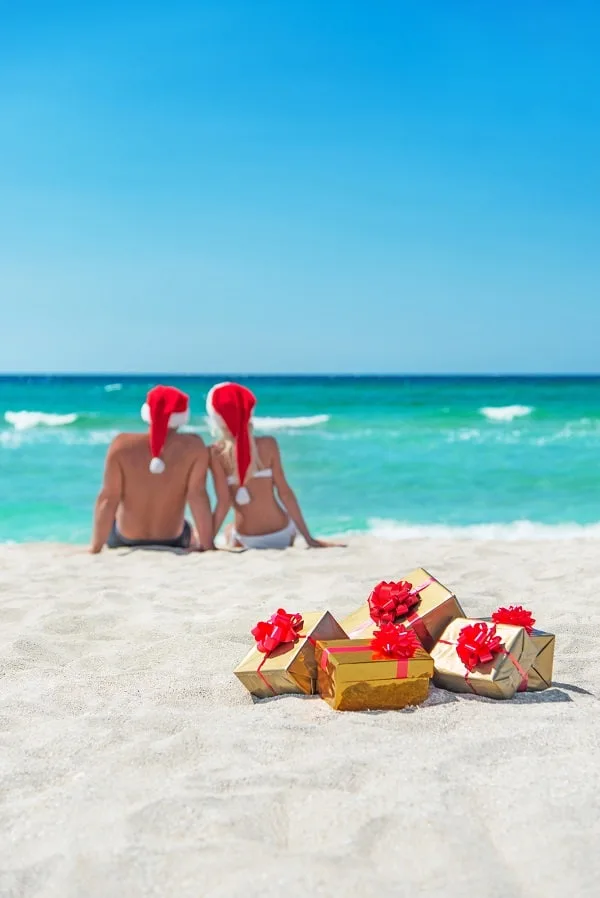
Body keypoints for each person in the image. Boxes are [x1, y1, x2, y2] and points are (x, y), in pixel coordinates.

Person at [206, 381, 342, 549]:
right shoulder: (269, 444)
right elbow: (285, 492)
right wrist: (308, 538)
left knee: (228, 529)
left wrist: (207, 542)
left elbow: (224, 502)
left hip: (247, 537)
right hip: (282, 533)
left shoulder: (215, 453)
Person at [89, 385, 214, 553]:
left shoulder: (121, 445)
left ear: (147, 413)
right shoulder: (194, 446)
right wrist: (207, 546)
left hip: (125, 537)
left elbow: (108, 498)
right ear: (183, 416)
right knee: (189, 530)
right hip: (173, 539)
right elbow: (197, 496)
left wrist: (95, 548)